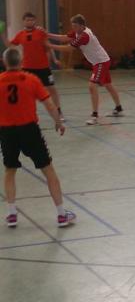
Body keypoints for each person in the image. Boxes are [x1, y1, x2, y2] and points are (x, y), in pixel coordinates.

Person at [0, 47, 76, 228]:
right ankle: (61, 215)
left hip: (7, 132)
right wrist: (58, 122)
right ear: (21, 61)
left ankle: (12, 214)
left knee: (10, 170)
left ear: (4, 62)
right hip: (29, 131)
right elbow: (49, 104)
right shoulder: (31, 79)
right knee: (48, 170)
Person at [48, 14, 123, 126]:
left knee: (92, 86)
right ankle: (119, 107)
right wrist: (48, 35)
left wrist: (49, 46)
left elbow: (69, 48)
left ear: (82, 26)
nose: (73, 28)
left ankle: (94, 116)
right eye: (72, 26)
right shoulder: (78, 32)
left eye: (75, 26)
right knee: (108, 85)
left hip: (100, 62)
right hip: (100, 61)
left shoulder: (84, 36)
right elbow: (64, 37)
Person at [7, 13, 64, 120]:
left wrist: (55, 59)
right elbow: (10, 45)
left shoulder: (41, 32)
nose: (29, 22)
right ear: (23, 21)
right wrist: (2, 35)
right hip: (27, 68)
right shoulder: (20, 34)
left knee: (52, 89)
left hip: (43, 67)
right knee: (24, 90)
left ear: (35, 21)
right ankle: (24, 112)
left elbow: (48, 47)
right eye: (27, 20)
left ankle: (58, 111)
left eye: (31, 20)